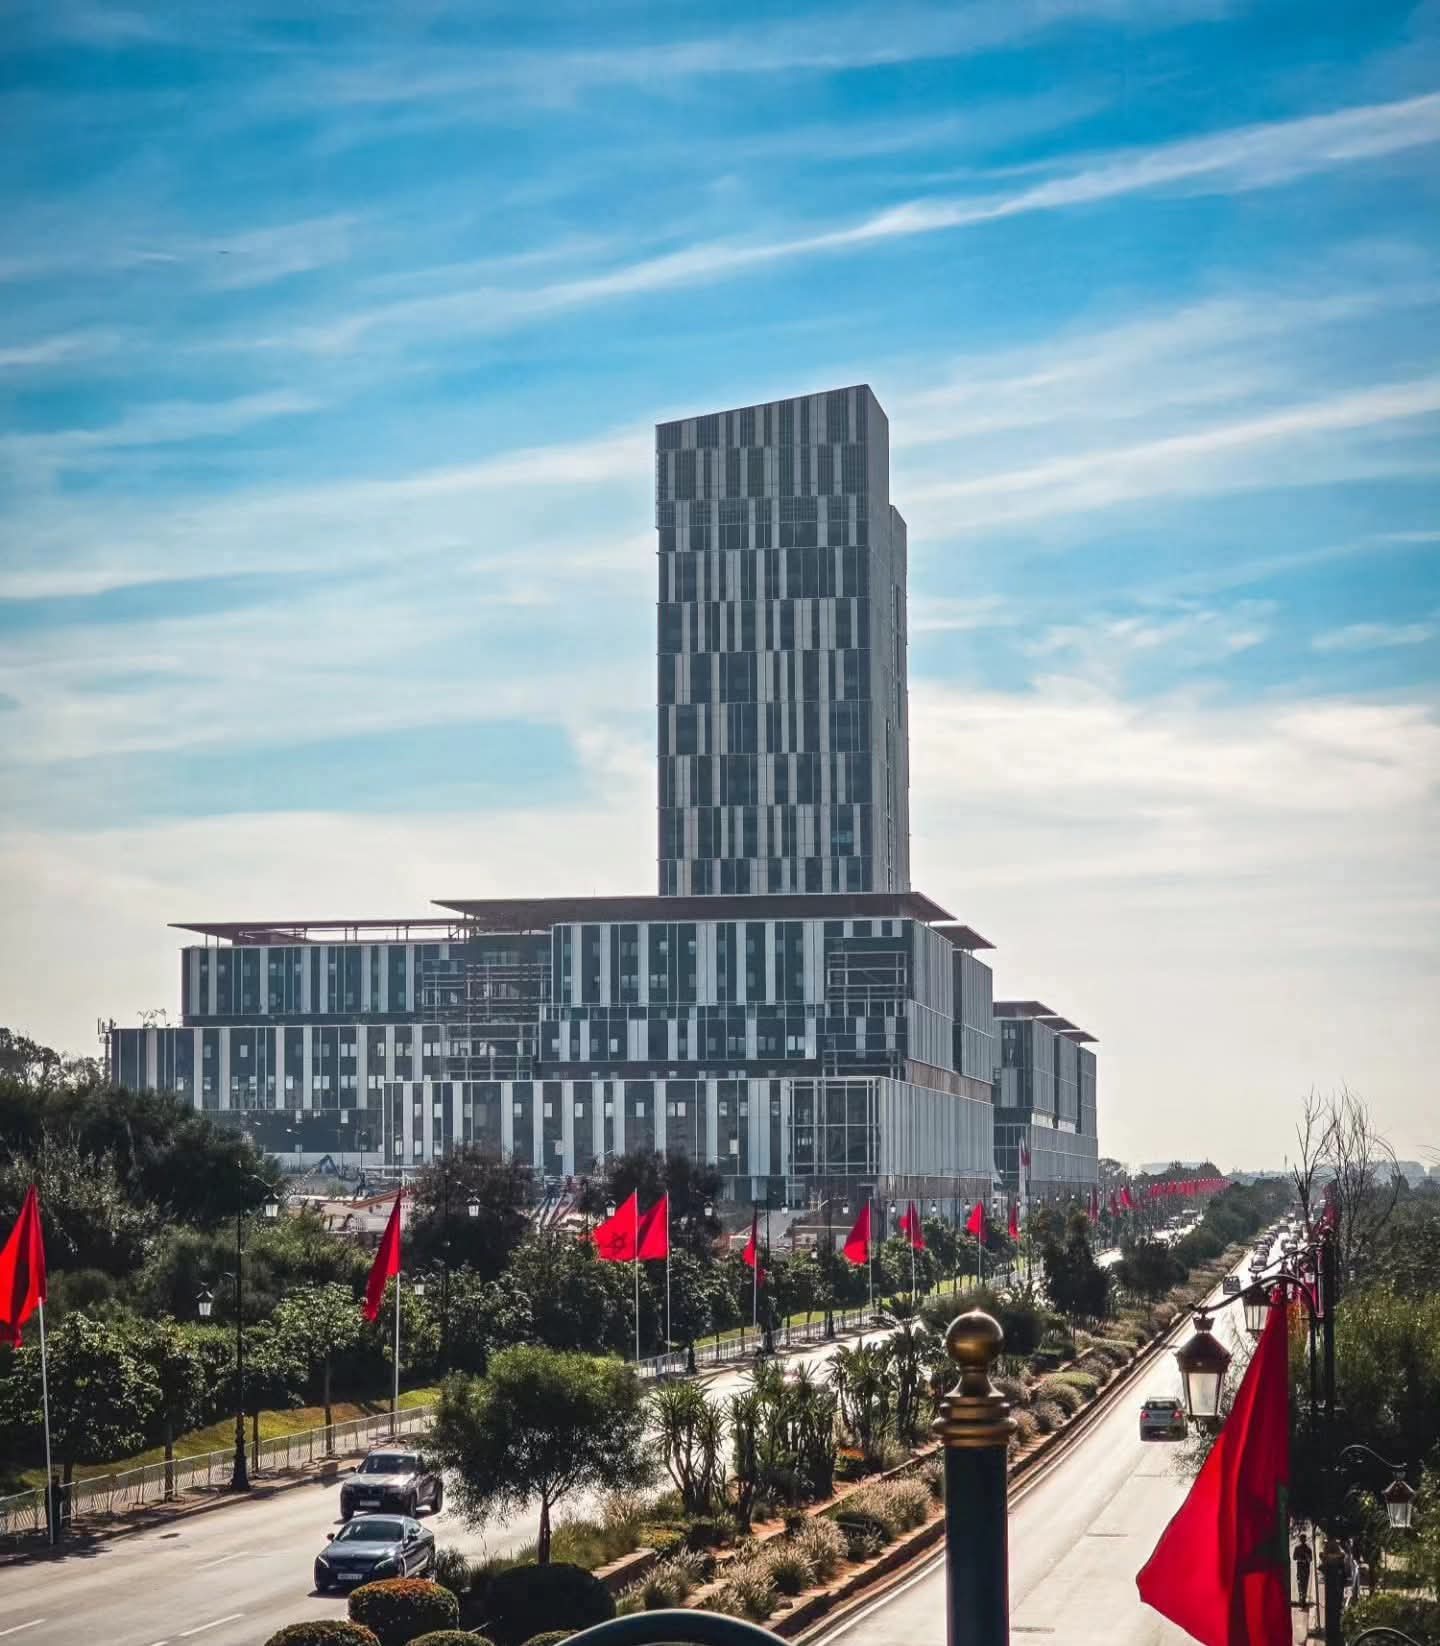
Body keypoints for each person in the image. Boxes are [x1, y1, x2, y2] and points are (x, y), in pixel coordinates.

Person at [1292, 1532, 1314, 1608]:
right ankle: (1301, 1599)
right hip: (1300, 1568)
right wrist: (1301, 1559)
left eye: (1303, 1539)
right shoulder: (1297, 1548)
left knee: (1304, 1584)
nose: (1302, 1540)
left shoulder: (1308, 1549)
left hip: (1306, 1568)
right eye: (1301, 1539)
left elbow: (1310, 1559)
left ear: (1305, 1539)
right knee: (1301, 1583)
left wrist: (1307, 1557)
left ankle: (1303, 1599)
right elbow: (1294, 1557)